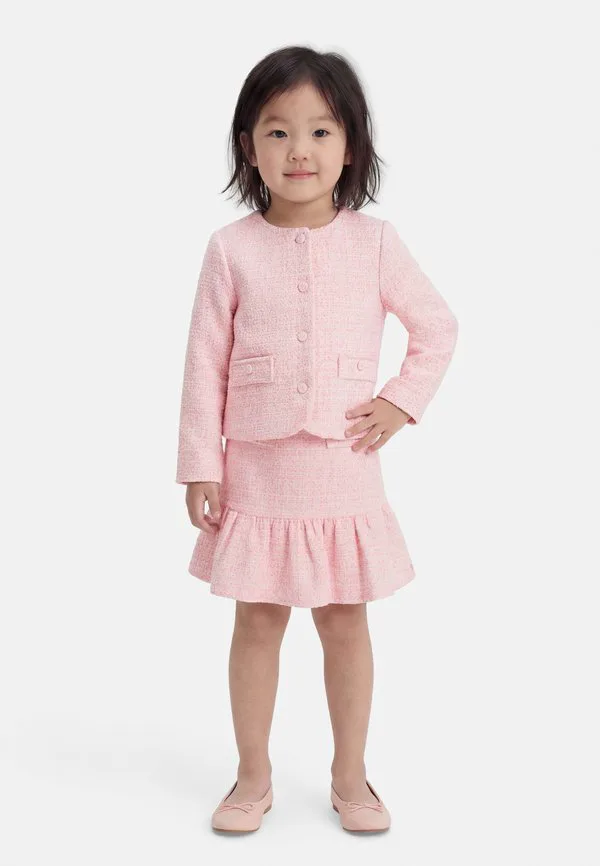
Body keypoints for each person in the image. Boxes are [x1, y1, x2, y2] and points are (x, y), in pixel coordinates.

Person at [175, 45, 459, 834]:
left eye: (320, 131)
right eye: (277, 132)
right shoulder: (230, 249)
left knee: (343, 621)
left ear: (351, 146)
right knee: (258, 620)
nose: (299, 150)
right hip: (257, 468)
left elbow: (437, 327)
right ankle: (252, 776)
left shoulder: (375, 242)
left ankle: (351, 776)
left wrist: (400, 402)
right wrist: (200, 464)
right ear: (248, 146)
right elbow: (204, 360)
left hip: (343, 466)